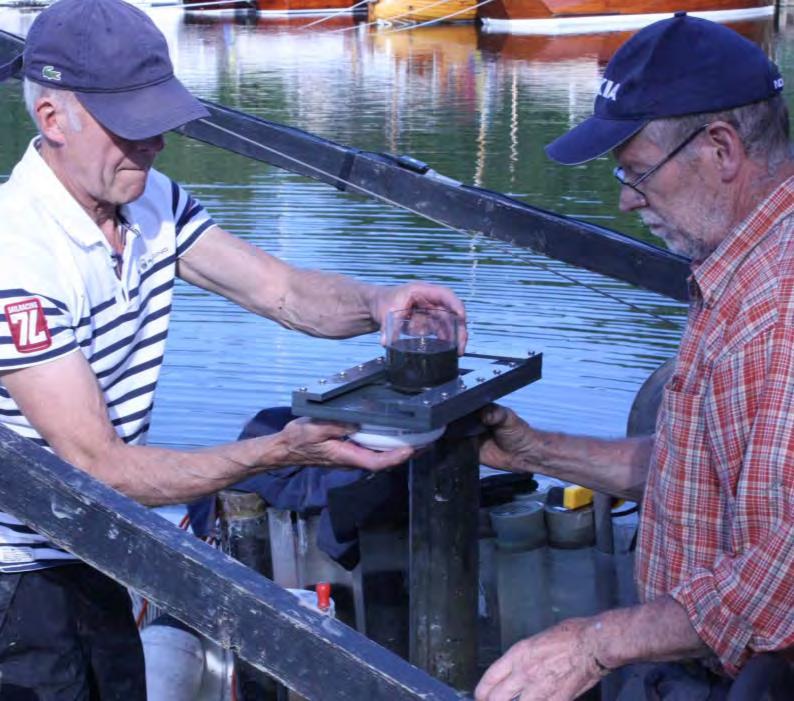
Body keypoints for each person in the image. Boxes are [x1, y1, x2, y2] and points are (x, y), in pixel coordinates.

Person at [0, 0, 466, 697]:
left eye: (159, 120)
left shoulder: (149, 198)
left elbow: (279, 290)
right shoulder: (18, 256)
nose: (154, 142)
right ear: (53, 119)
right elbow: (100, 467)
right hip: (17, 581)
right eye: (131, 126)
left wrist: (378, 303)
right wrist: (276, 452)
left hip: (97, 549)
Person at [474, 14, 793, 701]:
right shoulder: (738, 271)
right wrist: (535, 450)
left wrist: (591, 646)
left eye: (637, 171)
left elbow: (779, 584)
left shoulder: (779, 309)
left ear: (721, 149)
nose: (624, 198)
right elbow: (697, 472)